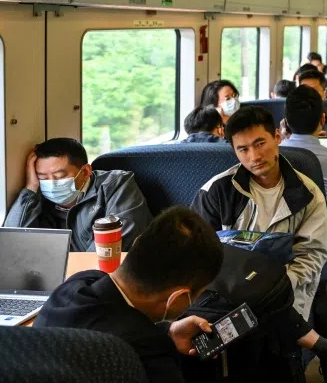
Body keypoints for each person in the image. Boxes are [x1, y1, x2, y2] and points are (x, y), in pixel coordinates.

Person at [190, 107, 327, 380]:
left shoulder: (306, 194)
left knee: (263, 335)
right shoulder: (217, 191)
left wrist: (265, 293)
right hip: (223, 292)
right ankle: (323, 347)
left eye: (260, 143)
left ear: (277, 137)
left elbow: (311, 257)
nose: (254, 157)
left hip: (285, 291)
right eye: (242, 149)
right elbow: (195, 254)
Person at [33, 207, 224, 383]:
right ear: (178, 297)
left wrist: (167, 330)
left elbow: (104, 328)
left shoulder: (77, 284)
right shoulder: (148, 354)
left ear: (138, 243)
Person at [4, 138, 152, 251]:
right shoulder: (38, 200)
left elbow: (113, 246)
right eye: (43, 177)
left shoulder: (116, 185)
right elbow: (11, 244)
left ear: (86, 172)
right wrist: (31, 188)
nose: (52, 183)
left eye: (59, 175)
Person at [281, 85, 327, 280]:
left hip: (283, 244)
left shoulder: (273, 155)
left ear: (286, 122)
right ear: (322, 119)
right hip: (326, 244)